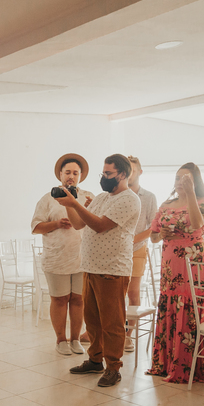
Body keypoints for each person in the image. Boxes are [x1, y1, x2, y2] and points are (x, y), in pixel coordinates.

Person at [58, 154, 142, 388]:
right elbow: (79, 224)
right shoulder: (103, 197)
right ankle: (95, 360)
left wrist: (74, 204)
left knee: (112, 322)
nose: (103, 178)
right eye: (103, 173)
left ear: (123, 175)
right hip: (91, 267)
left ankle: (113, 367)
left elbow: (100, 225)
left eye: (108, 174)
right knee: (92, 319)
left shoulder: (129, 199)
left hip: (113, 268)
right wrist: (69, 203)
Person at [147, 163, 204, 384]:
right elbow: (153, 236)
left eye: (186, 179)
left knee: (189, 304)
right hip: (170, 261)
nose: (180, 182)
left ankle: (186, 366)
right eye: (177, 178)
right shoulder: (166, 204)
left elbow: (197, 224)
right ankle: (164, 364)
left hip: (192, 259)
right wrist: (161, 233)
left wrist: (191, 193)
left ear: (195, 182)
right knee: (170, 303)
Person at [31, 154, 93, 355]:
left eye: (75, 173)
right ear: (60, 174)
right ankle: (61, 340)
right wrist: (57, 224)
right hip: (57, 258)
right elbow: (36, 227)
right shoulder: (48, 198)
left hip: (83, 258)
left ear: (80, 176)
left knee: (78, 299)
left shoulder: (88, 197)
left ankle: (75, 339)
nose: (71, 176)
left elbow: (95, 223)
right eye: (67, 172)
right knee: (59, 299)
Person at [125, 156, 159, 352]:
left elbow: (154, 226)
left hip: (137, 250)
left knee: (133, 292)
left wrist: (133, 240)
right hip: (116, 251)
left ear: (140, 172)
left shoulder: (149, 197)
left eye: (133, 170)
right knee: (114, 294)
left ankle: (128, 335)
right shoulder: (116, 194)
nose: (129, 174)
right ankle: (109, 331)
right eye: (126, 170)